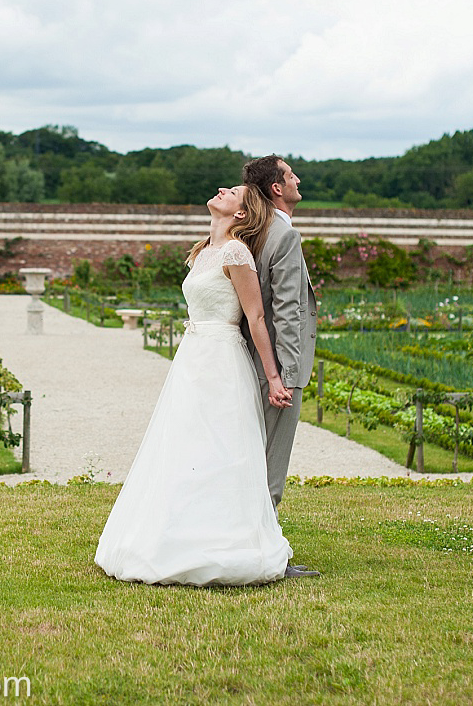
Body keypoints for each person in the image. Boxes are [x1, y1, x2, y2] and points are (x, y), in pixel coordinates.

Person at [94, 184, 304, 586]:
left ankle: (224, 542)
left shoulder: (237, 253)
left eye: (234, 192)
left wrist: (275, 377)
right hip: (192, 358)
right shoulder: (203, 250)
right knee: (182, 444)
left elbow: (256, 318)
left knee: (221, 446)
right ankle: (170, 536)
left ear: (241, 214)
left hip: (223, 359)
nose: (222, 189)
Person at [239, 155, 318, 511]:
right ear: (277, 188)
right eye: (290, 175)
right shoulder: (284, 235)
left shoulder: (253, 231)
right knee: (272, 464)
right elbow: (287, 310)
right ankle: (265, 552)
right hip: (277, 369)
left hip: (249, 361)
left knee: (252, 457)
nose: (297, 179)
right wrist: (284, 376)